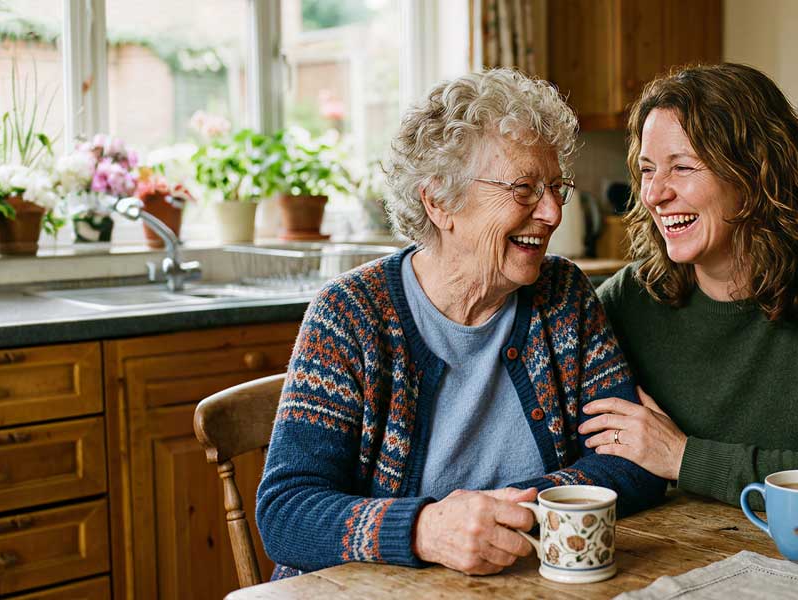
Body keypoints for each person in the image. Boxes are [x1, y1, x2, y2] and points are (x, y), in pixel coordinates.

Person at [257, 69, 666, 579]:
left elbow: (633, 460)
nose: (553, 211)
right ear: (440, 202)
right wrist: (426, 529)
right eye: (524, 189)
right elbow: (286, 513)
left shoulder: (563, 296)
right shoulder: (350, 314)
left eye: (556, 187)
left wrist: (511, 514)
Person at [587, 63, 798, 517]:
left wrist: (683, 457)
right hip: (695, 551)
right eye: (647, 170)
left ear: (755, 173)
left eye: (681, 167)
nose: (654, 194)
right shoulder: (630, 298)